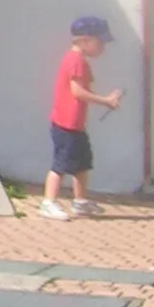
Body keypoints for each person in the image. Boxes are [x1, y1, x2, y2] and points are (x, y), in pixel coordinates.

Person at [41, 16, 122, 218]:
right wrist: (105, 101)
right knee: (60, 164)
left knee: (82, 163)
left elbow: (85, 87)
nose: (103, 47)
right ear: (85, 40)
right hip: (65, 123)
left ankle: (80, 201)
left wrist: (107, 99)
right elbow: (77, 91)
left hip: (76, 124)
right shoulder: (75, 60)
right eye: (100, 42)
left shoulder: (81, 62)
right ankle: (48, 201)